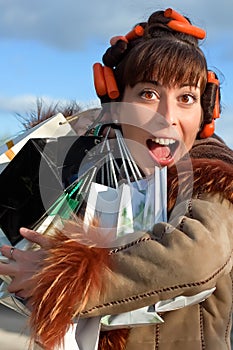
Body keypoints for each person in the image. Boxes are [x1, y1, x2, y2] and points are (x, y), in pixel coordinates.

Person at [0, 7, 233, 350]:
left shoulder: (212, 177)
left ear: (205, 113)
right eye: (148, 94)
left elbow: (199, 253)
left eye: (186, 98)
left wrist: (61, 278)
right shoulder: (93, 170)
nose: (166, 117)